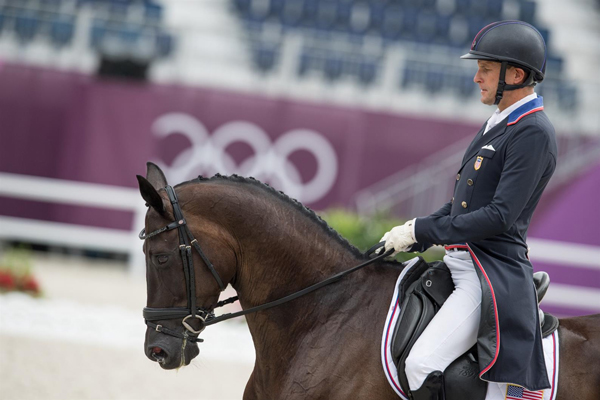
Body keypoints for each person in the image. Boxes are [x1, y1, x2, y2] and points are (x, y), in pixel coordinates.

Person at [379, 20, 557, 400]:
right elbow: (463, 206)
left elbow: (498, 217)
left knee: (421, 364)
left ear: (516, 74)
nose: (477, 77)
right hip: (460, 261)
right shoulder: (500, 123)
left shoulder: (533, 132)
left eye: (486, 69)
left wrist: (424, 231)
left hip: (486, 271)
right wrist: (414, 230)